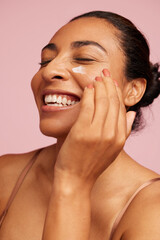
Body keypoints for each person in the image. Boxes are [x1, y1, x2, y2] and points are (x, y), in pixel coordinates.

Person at [0, 10, 160, 240]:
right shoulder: (5, 174)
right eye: (45, 61)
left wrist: (73, 182)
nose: (50, 70)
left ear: (133, 90)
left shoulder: (152, 211)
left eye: (84, 58)